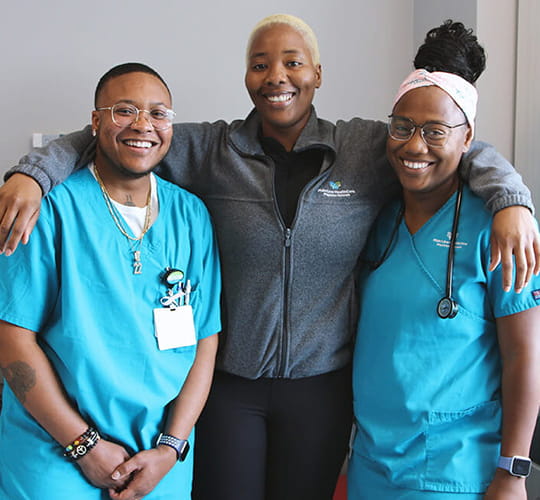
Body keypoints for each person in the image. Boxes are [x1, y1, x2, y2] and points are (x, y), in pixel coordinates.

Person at [0, 14, 539, 500]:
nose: (276, 75)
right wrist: (34, 171)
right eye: (260, 65)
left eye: (292, 62)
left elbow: (452, 143)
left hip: (321, 388)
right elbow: (128, 133)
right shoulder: (211, 150)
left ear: (318, 74)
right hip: (231, 387)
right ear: (247, 78)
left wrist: (510, 199)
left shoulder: (367, 148)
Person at [0, 63, 221, 499]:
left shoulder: (191, 215)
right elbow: (11, 338)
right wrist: (82, 445)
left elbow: (204, 340)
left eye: (158, 114)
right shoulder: (50, 210)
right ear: (96, 121)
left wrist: (173, 446)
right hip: (53, 456)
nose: (143, 125)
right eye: (125, 110)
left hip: (158, 462)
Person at [348, 21, 540, 499]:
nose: (415, 146)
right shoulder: (379, 218)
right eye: (402, 128)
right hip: (370, 465)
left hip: (456, 471)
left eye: (435, 131)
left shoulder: (499, 232)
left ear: (467, 138)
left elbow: (524, 355)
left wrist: (513, 472)